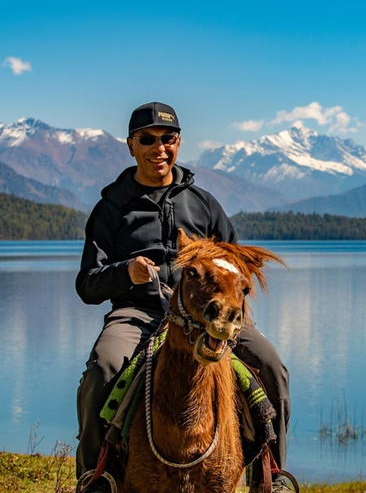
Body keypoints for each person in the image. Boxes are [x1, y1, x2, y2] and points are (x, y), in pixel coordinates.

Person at [75, 102, 292, 492]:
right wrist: (125, 272)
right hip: (137, 313)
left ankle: (271, 476)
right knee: (103, 369)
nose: (158, 148)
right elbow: (87, 283)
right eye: (147, 139)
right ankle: (97, 476)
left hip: (209, 314)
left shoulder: (204, 203)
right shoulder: (111, 209)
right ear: (131, 146)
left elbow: (235, 265)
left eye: (167, 139)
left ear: (179, 143)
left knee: (272, 367)